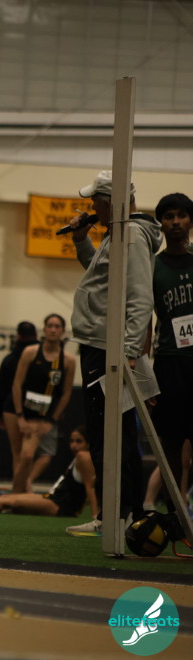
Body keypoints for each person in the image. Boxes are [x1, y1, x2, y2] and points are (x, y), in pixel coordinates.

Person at [64, 171, 162, 536]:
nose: (92, 207)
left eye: (96, 202)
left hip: (109, 349)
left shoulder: (132, 235)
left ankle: (116, 516)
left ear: (111, 202)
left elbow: (140, 297)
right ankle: (123, 514)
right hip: (102, 345)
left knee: (109, 435)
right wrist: (81, 241)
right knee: (111, 433)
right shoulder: (118, 232)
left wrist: (131, 350)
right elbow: (103, 279)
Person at [147, 192, 193, 522]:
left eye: (181, 215)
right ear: (161, 223)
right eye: (168, 216)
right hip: (168, 362)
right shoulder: (152, 266)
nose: (175, 222)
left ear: (190, 221)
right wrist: (142, 373)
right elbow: (142, 320)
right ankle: (175, 514)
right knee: (171, 443)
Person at [0, 426, 98, 520]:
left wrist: (95, 515)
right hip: (54, 498)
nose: (73, 445)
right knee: (9, 499)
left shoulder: (83, 457)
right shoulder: (80, 457)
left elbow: (90, 487)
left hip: (60, 505)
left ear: (88, 443)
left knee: (9, 501)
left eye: (78, 441)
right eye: (72, 441)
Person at [8, 314, 76, 493]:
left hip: (46, 416)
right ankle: (17, 493)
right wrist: (20, 416)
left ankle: (22, 488)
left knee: (41, 455)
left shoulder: (68, 360)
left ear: (63, 331)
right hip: (22, 412)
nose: (53, 330)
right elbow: (17, 384)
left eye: (57, 326)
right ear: (44, 329)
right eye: (50, 326)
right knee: (23, 454)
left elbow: (66, 394)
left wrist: (52, 420)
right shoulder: (30, 352)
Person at [0, 321, 38, 466]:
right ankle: (24, 480)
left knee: (20, 452)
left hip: (13, 406)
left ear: (18, 336)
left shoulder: (10, 359)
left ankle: (23, 479)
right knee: (28, 452)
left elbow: (0, 389)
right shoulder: (41, 357)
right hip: (35, 405)